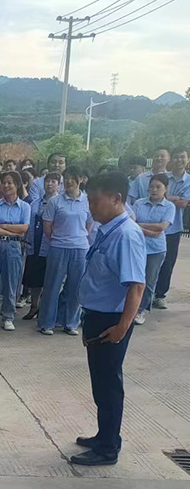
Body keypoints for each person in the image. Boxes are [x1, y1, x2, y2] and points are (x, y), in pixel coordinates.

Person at [71, 172, 146, 467]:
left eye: (95, 200)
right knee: (100, 384)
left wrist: (122, 327)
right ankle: (105, 435)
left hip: (111, 320)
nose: (90, 206)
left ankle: (108, 448)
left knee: (108, 385)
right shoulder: (108, 230)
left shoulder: (126, 235)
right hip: (97, 316)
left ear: (116, 199)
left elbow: (136, 286)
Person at [38, 167, 93, 336]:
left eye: (73, 178)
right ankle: (47, 322)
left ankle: (70, 322)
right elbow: (47, 227)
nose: (69, 182)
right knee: (52, 286)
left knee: (76, 287)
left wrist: (78, 238)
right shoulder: (55, 201)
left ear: (80, 180)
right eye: (66, 178)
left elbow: (89, 225)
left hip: (80, 248)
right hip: (58, 247)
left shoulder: (88, 201)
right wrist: (60, 238)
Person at [0, 171, 31, 331]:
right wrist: (12, 231)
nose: (6, 185)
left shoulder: (25, 207)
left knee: (11, 281)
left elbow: (24, 228)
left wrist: (2, 225)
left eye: (10, 182)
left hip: (13, 247)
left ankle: (8, 316)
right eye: (3, 182)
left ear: (17, 185)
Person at [131, 174, 174, 325]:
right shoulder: (139, 203)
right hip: (137, 246)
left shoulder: (169, 206)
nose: (154, 190)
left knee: (149, 280)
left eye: (158, 187)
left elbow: (163, 227)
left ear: (165, 189)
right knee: (135, 278)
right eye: (151, 187)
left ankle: (141, 310)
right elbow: (131, 223)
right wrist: (150, 230)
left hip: (156, 250)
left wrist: (140, 226)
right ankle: (129, 307)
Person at [153, 146, 190, 309]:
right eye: (176, 157)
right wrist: (176, 197)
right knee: (151, 261)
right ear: (171, 159)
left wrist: (167, 197)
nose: (179, 160)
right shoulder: (163, 177)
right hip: (155, 224)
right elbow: (156, 196)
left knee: (168, 263)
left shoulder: (189, 180)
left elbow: (183, 203)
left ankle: (160, 295)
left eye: (182, 157)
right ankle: (148, 292)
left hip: (173, 228)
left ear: (187, 159)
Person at [22, 172, 60, 320]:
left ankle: (45, 310)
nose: (49, 184)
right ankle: (34, 306)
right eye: (47, 181)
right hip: (34, 245)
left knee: (49, 280)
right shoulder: (35, 203)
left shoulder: (59, 203)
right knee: (34, 279)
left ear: (59, 185)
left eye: (53, 182)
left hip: (51, 246)